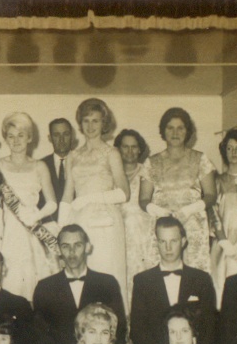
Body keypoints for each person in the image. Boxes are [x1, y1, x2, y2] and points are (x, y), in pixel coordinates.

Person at [130, 217, 217, 344]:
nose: (168, 248)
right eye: (163, 241)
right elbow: (138, 329)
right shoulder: (142, 281)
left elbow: (211, 327)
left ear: (183, 242)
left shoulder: (201, 279)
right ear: (156, 243)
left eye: (174, 241)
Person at [58, 98, 130, 307]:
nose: (90, 126)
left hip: (105, 222)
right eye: (86, 120)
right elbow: (66, 195)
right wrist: (60, 229)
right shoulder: (73, 155)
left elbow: (123, 193)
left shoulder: (111, 153)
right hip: (79, 219)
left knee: (106, 272)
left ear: (104, 123)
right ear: (80, 123)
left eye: (95, 121)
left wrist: (89, 199)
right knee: (81, 274)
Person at [0, 111, 61, 300]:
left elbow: (52, 203)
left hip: (31, 232)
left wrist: (35, 217)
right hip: (5, 232)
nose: (16, 141)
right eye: (11, 136)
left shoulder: (40, 166)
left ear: (29, 138)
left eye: (21, 135)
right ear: (5, 139)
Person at [140, 107, 217, 274]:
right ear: (163, 131)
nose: (175, 132)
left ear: (187, 131)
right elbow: (143, 199)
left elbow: (211, 195)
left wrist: (191, 209)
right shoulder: (151, 162)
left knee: (194, 275)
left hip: (193, 224)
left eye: (180, 127)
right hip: (163, 224)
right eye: (170, 127)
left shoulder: (200, 158)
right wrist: (158, 210)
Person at [114, 129, 158, 308]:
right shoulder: (111, 174)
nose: (130, 152)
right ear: (118, 149)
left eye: (134, 147)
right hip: (117, 237)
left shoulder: (148, 172)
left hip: (143, 239)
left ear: (140, 150)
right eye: (125, 147)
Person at [210, 127, 237, 307]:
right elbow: (213, 212)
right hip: (223, 244)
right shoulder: (218, 180)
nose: (233, 152)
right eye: (229, 148)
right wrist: (223, 241)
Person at [41, 118, 75, 222]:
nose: (61, 140)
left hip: (77, 226)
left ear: (72, 137)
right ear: (49, 138)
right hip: (47, 229)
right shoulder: (40, 166)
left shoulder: (83, 163)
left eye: (65, 134)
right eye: (56, 135)